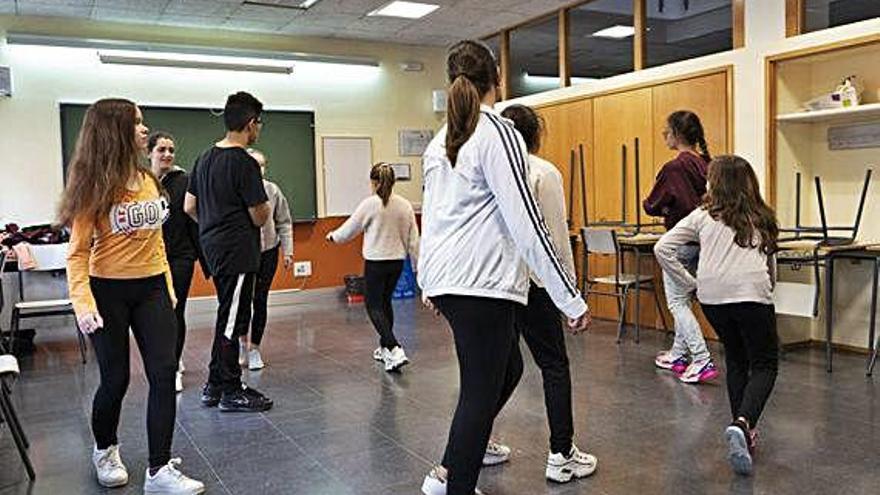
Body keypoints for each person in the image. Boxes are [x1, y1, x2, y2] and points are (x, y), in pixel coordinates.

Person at [418, 40, 591, 495]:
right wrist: (567, 297)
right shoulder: (497, 132)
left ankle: (451, 473)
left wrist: (428, 281)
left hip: (454, 281)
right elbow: (526, 222)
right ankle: (455, 483)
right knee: (479, 391)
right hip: (482, 284)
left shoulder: (441, 140)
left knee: (507, 369)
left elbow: (432, 216)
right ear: (497, 79)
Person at [61, 98, 204, 494]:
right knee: (116, 380)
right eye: (137, 124)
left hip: (153, 288)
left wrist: (169, 290)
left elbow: (156, 242)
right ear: (113, 132)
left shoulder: (149, 181)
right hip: (107, 291)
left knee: (163, 374)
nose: (145, 130)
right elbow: (76, 254)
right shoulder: (93, 187)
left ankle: (158, 470)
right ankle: (104, 449)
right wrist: (83, 303)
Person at [655, 155, 779, 476]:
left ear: (715, 183)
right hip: (752, 296)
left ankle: (742, 434)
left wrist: (690, 283)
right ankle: (743, 422)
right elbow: (770, 266)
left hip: (713, 299)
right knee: (765, 364)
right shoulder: (762, 216)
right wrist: (768, 292)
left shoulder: (701, 216)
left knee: (736, 359)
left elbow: (662, 248)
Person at [500, 104, 597, 483]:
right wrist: (570, 294)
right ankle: (561, 453)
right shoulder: (543, 172)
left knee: (497, 370)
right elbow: (556, 236)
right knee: (554, 366)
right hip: (535, 285)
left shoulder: (491, 170)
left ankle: (477, 441)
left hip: (495, 286)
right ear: (535, 134)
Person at [185, 91, 274, 413]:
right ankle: (231, 389)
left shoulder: (204, 158)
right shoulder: (244, 162)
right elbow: (260, 215)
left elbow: (189, 206)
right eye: (259, 124)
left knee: (227, 312)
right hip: (237, 250)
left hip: (213, 248)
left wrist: (214, 225)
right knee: (233, 320)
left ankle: (213, 384)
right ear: (251, 124)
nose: (258, 129)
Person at [643, 110, 719, 384]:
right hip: (704, 244)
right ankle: (678, 352)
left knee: (677, 303)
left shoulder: (674, 167)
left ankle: (700, 357)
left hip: (680, 244)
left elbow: (652, 203)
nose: (664, 135)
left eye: (667, 130)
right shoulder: (707, 165)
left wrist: (661, 205)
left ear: (676, 133)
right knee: (684, 301)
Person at [326, 162, 419, 372]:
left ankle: (395, 347)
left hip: (376, 263)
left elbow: (349, 229)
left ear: (374, 182)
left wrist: (333, 237)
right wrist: (420, 265)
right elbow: (413, 239)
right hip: (397, 263)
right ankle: (385, 348)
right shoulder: (404, 205)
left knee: (373, 305)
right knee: (385, 303)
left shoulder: (369, 204)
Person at [148, 131, 205, 392]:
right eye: (162, 150)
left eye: (171, 149)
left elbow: (196, 216)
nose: (168, 154)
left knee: (175, 311)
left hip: (180, 256)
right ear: (149, 153)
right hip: (149, 259)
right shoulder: (141, 183)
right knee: (155, 315)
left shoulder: (185, 181)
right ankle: (163, 360)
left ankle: (172, 366)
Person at [239, 148, 294, 371]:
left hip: (268, 251)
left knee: (260, 300)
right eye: (254, 164)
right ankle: (242, 344)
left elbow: (284, 221)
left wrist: (288, 251)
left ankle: (255, 348)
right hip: (243, 253)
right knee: (242, 301)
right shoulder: (237, 190)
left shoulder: (273, 190)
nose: (258, 169)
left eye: (262, 165)